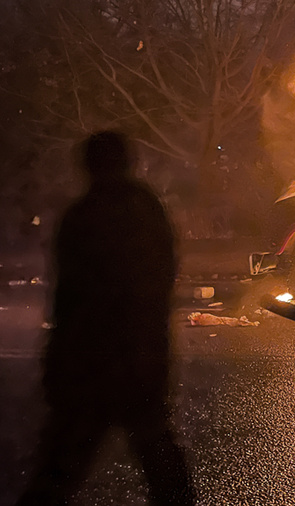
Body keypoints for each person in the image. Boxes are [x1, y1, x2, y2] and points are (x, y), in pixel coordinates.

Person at [17, 131, 196, 506]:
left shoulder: (82, 216)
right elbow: (158, 284)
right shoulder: (147, 210)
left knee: (60, 468)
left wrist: (58, 362)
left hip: (89, 364)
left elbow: (70, 298)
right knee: (160, 460)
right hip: (137, 360)